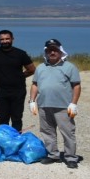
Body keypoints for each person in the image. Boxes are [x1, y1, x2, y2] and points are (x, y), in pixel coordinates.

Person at [29, 39, 81, 169]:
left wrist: (73, 103)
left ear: (60, 51)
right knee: (47, 132)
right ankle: (53, 155)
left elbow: (76, 86)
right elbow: (35, 84)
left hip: (63, 107)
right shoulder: (40, 67)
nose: (52, 52)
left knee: (68, 133)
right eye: (49, 50)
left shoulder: (70, 67)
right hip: (44, 106)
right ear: (45, 52)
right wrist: (32, 101)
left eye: (55, 50)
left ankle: (70, 157)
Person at [0, 30, 35, 131]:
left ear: (12, 39)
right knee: (3, 118)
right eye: (2, 39)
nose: (5, 41)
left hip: (18, 90)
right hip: (1, 90)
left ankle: (16, 141)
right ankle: (4, 140)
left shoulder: (20, 54)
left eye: (7, 39)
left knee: (17, 118)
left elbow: (32, 69)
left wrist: (20, 76)